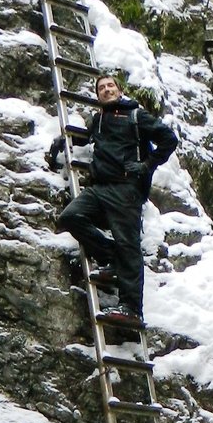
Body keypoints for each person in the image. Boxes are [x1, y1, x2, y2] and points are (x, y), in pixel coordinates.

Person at [46, 74, 178, 329]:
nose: (106, 90)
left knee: (128, 244)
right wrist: (66, 140)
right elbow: (89, 139)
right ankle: (111, 259)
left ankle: (132, 309)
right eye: (101, 88)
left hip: (126, 188)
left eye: (110, 86)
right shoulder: (99, 120)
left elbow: (168, 139)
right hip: (100, 188)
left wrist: (146, 165)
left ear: (120, 91)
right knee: (70, 217)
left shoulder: (136, 116)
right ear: (98, 96)